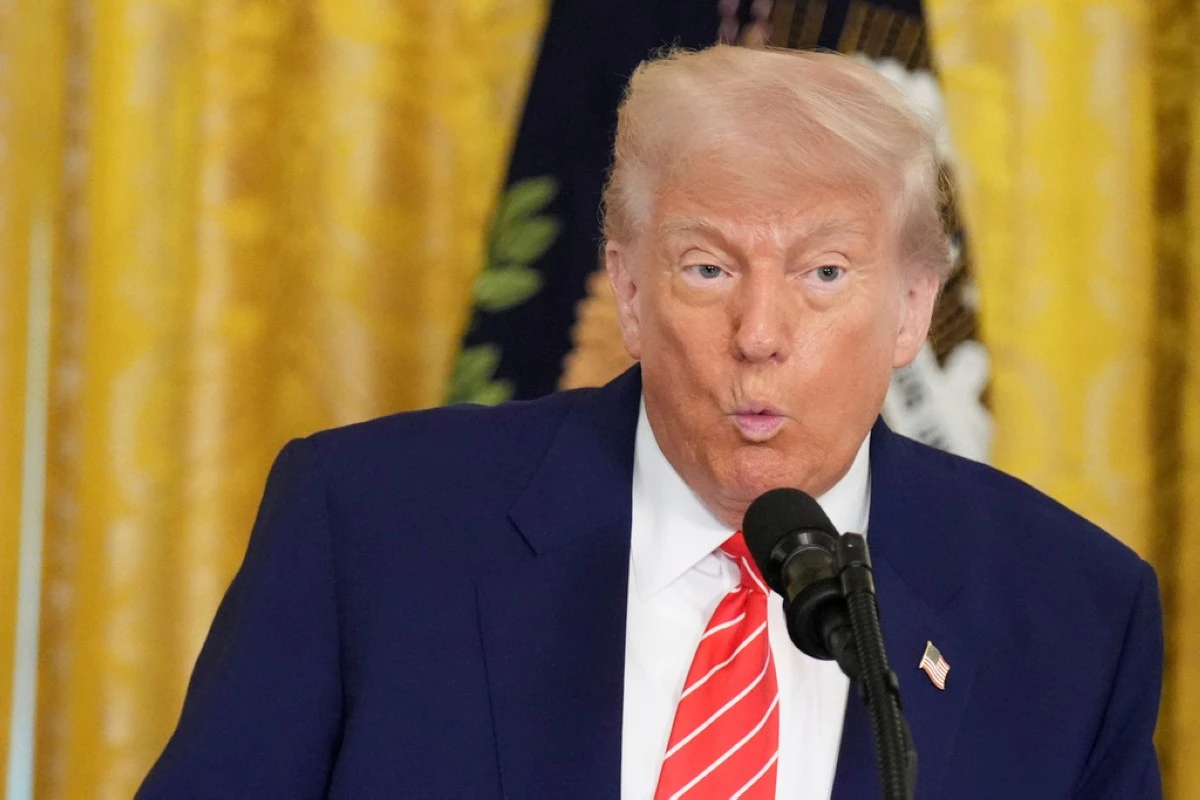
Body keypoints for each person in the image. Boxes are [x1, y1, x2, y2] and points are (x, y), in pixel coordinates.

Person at [138, 46, 1162, 799]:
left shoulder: (1071, 616)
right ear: (628, 292)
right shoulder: (368, 531)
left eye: (824, 272)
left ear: (911, 308)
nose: (758, 334)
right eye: (707, 268)